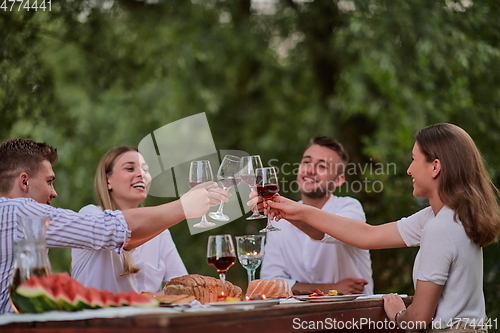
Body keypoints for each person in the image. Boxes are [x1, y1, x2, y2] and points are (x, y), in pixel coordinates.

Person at [267, 124, 500, 332]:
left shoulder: (439, 227)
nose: (409, 170)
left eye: (414, 159)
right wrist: (296, 210)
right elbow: (368, 235)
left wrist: (398, 313)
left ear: (435, 167)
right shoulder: (445, 217)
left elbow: (418, 319)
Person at [0, 138, 229, 313]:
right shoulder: (19, 211)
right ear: (24, 181)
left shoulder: (160, 232)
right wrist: (184, 206)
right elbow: (112, 230)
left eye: (145, 170)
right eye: (49, 181)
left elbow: (184, 289)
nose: (55, 192)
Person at [260, 136, 373, 295]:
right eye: (306, 162)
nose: (310, 170)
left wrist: (292, 213)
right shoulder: (280, 221)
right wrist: (329, 289)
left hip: (354, 316)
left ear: (339, 180)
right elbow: (270, 282)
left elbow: (327, 234)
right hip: (301, 318)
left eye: (322, 166)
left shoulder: (350, 207)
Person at [72, 147, 188, 293]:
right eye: (130, 168)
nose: (141, 174)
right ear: (108, 180)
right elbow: (123, 235)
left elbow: (184, 285)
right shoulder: (91, 216)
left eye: (145, 170)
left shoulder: (160, 232)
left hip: (148, 315)